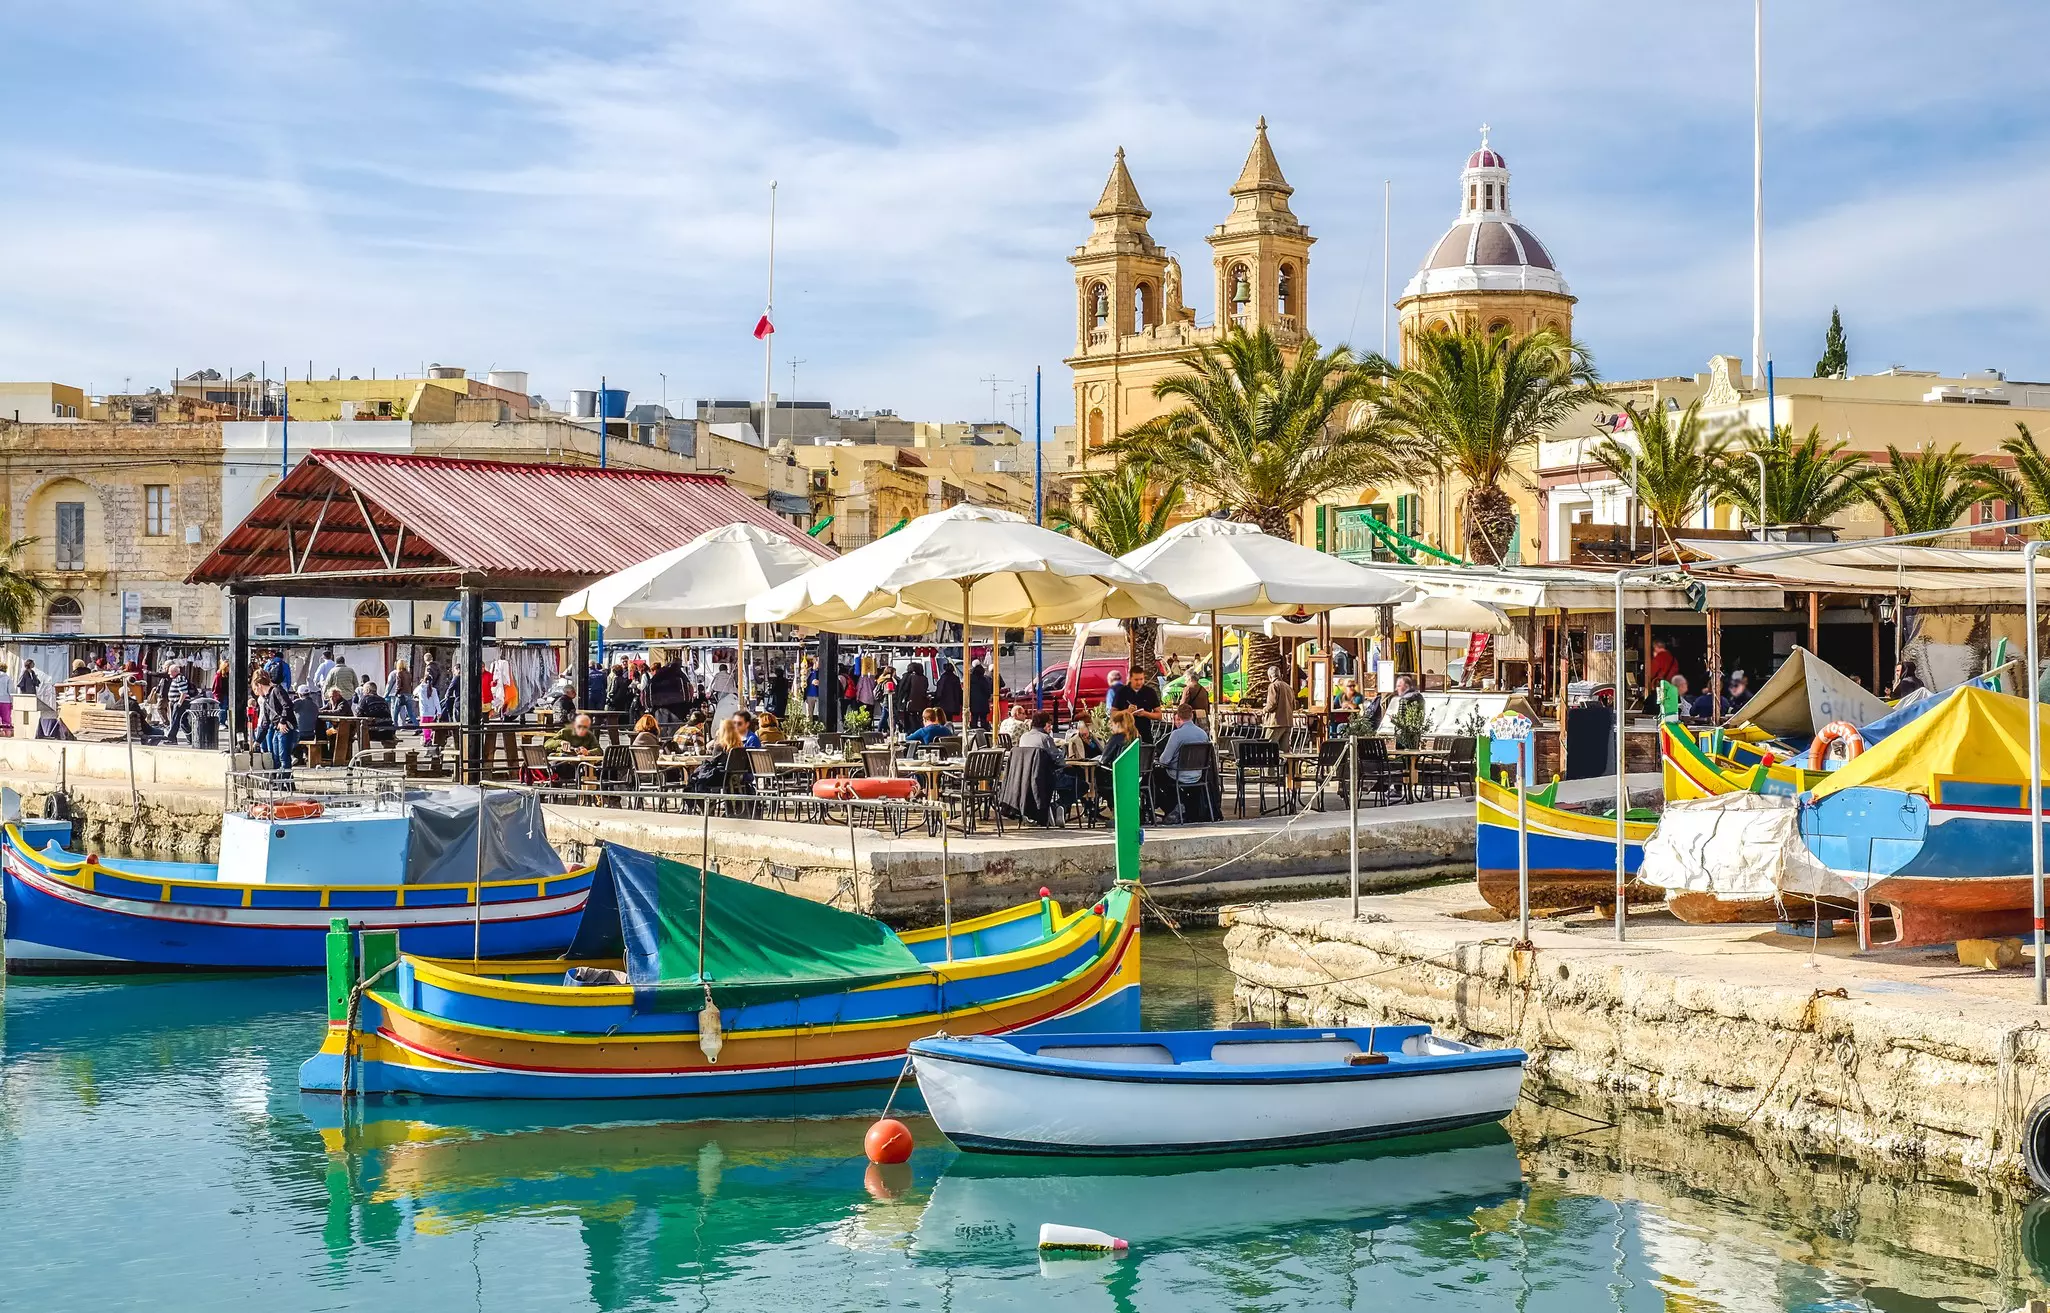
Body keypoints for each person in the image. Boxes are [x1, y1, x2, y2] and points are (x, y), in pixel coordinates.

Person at [1156, 703, 1215, 821]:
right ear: (1191, 716)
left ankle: (1172, 807)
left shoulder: (1176, 734)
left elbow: (1164, 760)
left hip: (1178, 774)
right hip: (1198, 774)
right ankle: (1180, 805)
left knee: (1154, 777)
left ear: (1178, 717)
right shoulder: (1203, 734)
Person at [688, 719, 751, 793]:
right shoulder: (741, 747)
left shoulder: (720, 746)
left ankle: (695, 801)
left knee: (696, 777)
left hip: (721, 777)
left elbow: (713, 762)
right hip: (737, 778)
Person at [253, 673, 296, 771]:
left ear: (259, 685)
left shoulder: (276, 690)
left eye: (256, 689)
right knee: (276, 758)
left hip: (285, 727)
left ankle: (285, 783)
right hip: (278, 729)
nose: (257, 692)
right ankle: (281, 783)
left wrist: (282, 721)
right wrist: (258, 741)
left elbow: (288, 705)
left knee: (283, 758)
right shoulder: (266, 699)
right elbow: (265, 721)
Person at [1112, 665, 1164, 741]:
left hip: (1145, 734)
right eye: (1136, 680)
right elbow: (1113, 714)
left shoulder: (1150, 692)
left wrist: (1145, 713)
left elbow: (1159, 715)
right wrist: (1126, 711)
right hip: (1125, 735)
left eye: (1141, 679)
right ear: (1130, 679)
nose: (1139, 682)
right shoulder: (1121, 692)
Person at [1262, 664, 1298, 743]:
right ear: (1279, 675)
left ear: (1270, 676)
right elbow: (1294, 705)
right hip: (1288, 722)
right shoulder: (1288, 687)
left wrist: (1264, 709)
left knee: (1268, 746)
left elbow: (1272, 704)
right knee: (1285, 751)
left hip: (1276, 722)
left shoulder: (1273, 686)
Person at [387, 661, 417, 728]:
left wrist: (396, 693)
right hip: (408, 695)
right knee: (410, 713)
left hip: (401, 695)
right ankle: (417, 726)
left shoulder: (399, 673)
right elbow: (410, 684)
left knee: (395, 713)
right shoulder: (409, 674)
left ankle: (395, 727)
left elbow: (399, 686)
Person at [968, 659, 995, 731]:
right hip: (983, 703)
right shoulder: (984, 680)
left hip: (973, 702)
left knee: (974, 717)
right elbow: (987, 691)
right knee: (983, 719)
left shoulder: (969, 679)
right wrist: (988, 696)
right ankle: (984, 731)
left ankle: (973, 730)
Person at [0, 660, 15, 739]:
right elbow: (11, 692)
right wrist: (12, 702)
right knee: (6, 720)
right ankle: (7, 736)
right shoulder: (7, 678)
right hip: (5, 701)